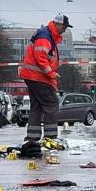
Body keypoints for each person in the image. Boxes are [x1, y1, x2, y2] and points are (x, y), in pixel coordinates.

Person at [19, 14, 72, 142]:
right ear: (57, 24)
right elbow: (41, 57)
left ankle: (32, 137)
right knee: (51, 104)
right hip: (39, 77)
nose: (64, 30)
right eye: (64, 27)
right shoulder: (45, 36)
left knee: (36, 106)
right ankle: (50, 137)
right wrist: (51, 74)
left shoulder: (47, 35)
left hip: (32, 76)